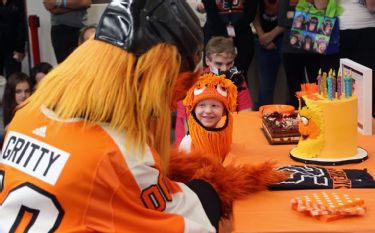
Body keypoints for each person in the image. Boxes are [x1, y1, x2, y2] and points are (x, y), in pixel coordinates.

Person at [0, 0, 287, 232]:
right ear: (157, 78)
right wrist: (209, 186)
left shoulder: (24, 116)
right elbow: (193, 223)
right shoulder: (116, 152)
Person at [175, 36, 253, 144]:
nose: (225, 69)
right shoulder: (192, 81)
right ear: (207, 61)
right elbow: (187, 125)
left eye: (229, 63)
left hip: (226, 135)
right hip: (193, 138)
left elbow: (246, 115)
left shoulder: (237, 79)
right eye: (219, 64)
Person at [278, 0, 339, 108]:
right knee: (295, 92)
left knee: (316, 90)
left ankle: (316, 121)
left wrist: (295, 16)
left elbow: (324, 17)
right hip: (291, 50)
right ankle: (296, 122)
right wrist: (310, 19)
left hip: (313, 49)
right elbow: (282, 20)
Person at [179, 73, 238, 163]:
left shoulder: (227, 138)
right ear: (193, 109)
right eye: (202, 105)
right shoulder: (188, 144)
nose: (208, 111)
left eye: (214, 106)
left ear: (224, 111)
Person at [336, 0, 375, 117]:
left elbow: (320, 5)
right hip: (367, 28)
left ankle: (344, 119)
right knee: (366, 82)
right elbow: (372, 6)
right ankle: (366, 122)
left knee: (341, 81)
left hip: (337, 30)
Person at [199, 0, 258, 78]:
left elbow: (250, 14)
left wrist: (233, 31)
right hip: (215, 35)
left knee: (239, 75)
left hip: (242, 36)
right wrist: (226, 34)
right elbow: (211, 12)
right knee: (213, 74)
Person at [253, 0, 285, 107]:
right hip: (263, 38)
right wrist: (262, 37)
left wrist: (269, 37)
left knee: (294, 81)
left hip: (286, 38)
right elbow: (254, 16)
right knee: (266, 84)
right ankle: (264, 115)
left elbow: (292, 18)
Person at [0, 0, 27, 79]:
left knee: (14, 78)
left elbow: (21, 26)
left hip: (13, 48)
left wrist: (20, 48)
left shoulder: (17, 2)